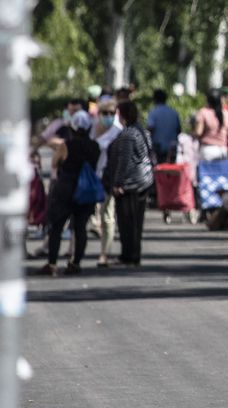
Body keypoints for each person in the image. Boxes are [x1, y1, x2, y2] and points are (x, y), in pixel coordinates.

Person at [38, 111, 100, 276]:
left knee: (57, 227)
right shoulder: (95, 146)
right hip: (86, 191)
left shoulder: (67, 145)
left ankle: (52, 264)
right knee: (80, 229)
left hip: (65, 189)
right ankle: (75, 263)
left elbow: (54, 162)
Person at [105, 101, 156, 266]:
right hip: (145, 179)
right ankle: (135, 254)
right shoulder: (143, 131)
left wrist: (118, 183)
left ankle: (128, 255)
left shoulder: (127, 134)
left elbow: (124, 160)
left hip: (131, 182)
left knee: (126, 221)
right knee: (137, 221)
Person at [91, 99, 123, 268]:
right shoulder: (93, 128)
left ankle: (104, 253)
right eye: (105, 113)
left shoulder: (118, 132)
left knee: (107, 215)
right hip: (91, 176)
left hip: (108, 178)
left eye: (112, 113)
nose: (109, 116)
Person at [146, 89, 181, 163]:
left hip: (158, 148)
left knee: (159, 171)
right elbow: (179, 130)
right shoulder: (173, 113)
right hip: (172, 148)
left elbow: (150, 128)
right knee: (170, 171)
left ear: (154, 99)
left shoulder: (153, 113)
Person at [196, 89, 228, 162]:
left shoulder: (203, 112)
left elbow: (198, 132)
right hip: (222, 150)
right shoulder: (225, 113)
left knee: (206, 172)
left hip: (207, 150)